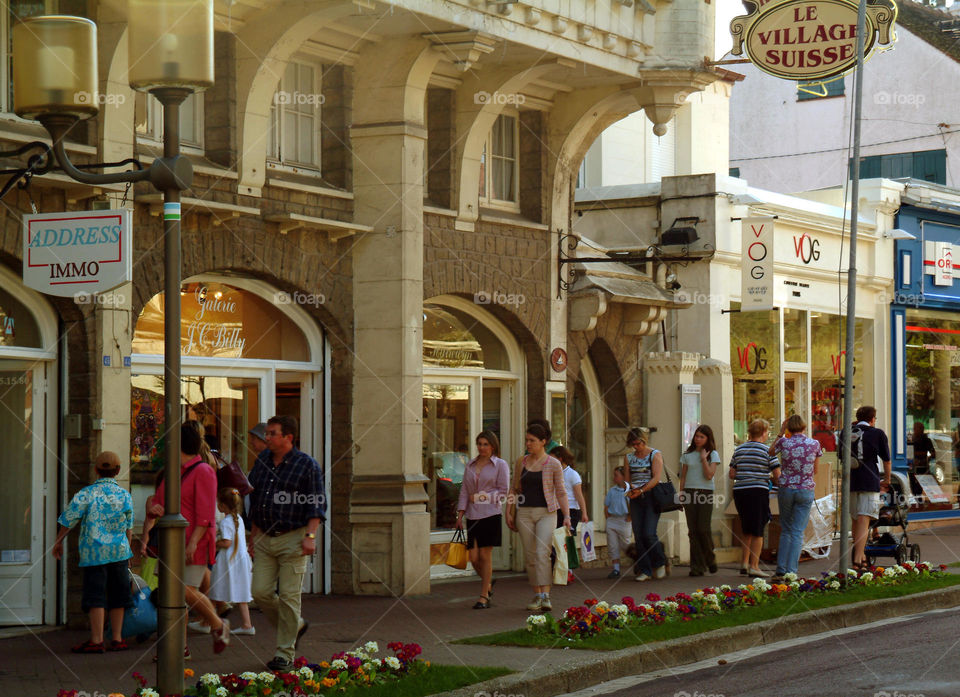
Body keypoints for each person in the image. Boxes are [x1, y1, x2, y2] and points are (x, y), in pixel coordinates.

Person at [248, 415, 325, 671]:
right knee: (260, 592)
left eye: (272, 433)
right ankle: (296, 625)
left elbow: (316, 503)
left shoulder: (307, 466)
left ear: (288, 437)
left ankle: (284, 654)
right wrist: (253, 535)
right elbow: (256, 498)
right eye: (267, 434)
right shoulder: (262, 462)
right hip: (264, 538)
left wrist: (310, 537)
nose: (266, 438)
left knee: (290, 597)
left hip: (294, 538)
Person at [149, 423, 231, 656]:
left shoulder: (203, 471)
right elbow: (159, 500)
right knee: (172, 597)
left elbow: (205, 514)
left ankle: (217, 624)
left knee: (182, 590)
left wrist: (193, 542)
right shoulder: (174, 472)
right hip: (171, 542)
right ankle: (178, 647)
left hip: (193, 542)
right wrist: (154, 508)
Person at [52, 451, 134, 654]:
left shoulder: (86, 493)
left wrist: (58, 541)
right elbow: (129, 527)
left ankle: (96, 640)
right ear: (118, 471)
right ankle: (117, 638)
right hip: (119, 552)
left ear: (96, 470)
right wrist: (128, 551)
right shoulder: (124, 495)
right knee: (119, 594)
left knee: (95, 594)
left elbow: (69, 518)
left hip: (93, 552)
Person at [505, 422, 571, 613]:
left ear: (543, 442)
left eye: (532, 440)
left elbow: (561, 492)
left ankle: (545, 596)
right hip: (524, 513)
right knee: (531, 555)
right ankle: (537, 593)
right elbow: (514, 488)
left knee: (543, 552)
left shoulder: (553, 463)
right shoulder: (521, 462)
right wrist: (509, 511)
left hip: (546, 513)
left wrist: (566, 516)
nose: (528, 444)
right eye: (527, 440)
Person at [455, 430, 510, 610]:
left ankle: (483, 596)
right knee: (473, 557)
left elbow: (503, 492)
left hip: (490, 514)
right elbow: (464, 490)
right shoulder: (470, 465)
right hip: (472, 515)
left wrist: (479, 497)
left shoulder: (500, 465)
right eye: (479, 444)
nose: (482, 447)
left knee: (485, 555)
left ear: (493, 446)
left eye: (486, 444)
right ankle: (488, 583)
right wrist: (460, 514)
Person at [769, 414, 822, 578]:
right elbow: (816, 470)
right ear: (804, 427)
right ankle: (791, 571)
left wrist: (780, 432)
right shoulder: (814, 444)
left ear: (789, 428)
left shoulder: (784, 442)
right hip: (805, 489)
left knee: (786, 529)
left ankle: (781, 568)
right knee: (798, 531)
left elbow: (770, 452)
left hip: (786, 488)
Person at [730, 420, 780, 577]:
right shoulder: (768, 451)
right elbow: (778, 476)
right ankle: (755, 566)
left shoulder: (739, 449)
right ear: (764, 432)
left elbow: (732, 474)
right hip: (758, 491)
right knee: (759, 529)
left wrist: (746, 474)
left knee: (747, 528)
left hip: (740, 491)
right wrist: (767, 477)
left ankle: (744, 563)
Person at [848, 406, 892, 570]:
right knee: (864, 519)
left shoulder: (847, 431)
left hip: (851, 479)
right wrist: (886, 480)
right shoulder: (877, 433)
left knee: (855, 519)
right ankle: (858, 560)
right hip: (870, 479)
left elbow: (841, 456)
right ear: (872, 419)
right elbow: (886, 460)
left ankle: (862, 556)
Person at [624, 427, 668, 582]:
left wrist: (641, 490)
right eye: (633, 444)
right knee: (639, 535)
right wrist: (629, 489)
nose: (636, 447)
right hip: (635, 496)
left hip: (651, 495)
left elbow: (656, 478)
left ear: (644, 441)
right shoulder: (629, 457)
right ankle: (645, 569)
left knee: (649, 533)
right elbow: (627, 479)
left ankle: (660, 562)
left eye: (638, 443)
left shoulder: (655, 454)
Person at [209, 488, 255, 635]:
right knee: (242, 594)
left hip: (229, 560)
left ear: (222, 505)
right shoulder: (239, 519)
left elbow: (227, 543)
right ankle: (247, 624)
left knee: (215, 591)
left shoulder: (226, 522)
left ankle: (209, 622)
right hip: (241, 559)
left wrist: (213, 544)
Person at [679, 425, 720, 577]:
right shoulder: (687, 455)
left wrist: (703, 459)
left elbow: (709, 475)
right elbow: (683, 476)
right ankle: (697, 566)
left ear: (708, 438)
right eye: (697, 436)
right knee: (693, 531)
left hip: (705, 493)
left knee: (703, 528)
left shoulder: (713, 454)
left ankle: (710, 558)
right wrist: (681, 493)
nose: (698, 439)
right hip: (689, 492)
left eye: (702, 437)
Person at [550, 445, 589, 583]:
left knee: (565, 541)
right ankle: (558, 570)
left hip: (571, 510)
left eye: (553, 458)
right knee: (555, 541)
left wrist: (584, 513)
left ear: (560, 459)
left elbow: (579, 495)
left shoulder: (572, 474)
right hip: (556, 510)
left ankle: (568, 572)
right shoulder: (553, 473)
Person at [603, 465, 632, 579]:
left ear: (624, 477)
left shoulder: (629, 491)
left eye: (616, 475)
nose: (614, 478)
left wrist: (630, 517)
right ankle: (616, 569)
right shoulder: (612, 490)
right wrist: (607, 517)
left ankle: (638, 563)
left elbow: (633, 505)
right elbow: (606, 505)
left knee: (626, 544)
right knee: (612, 545)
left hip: (624, 520)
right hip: (612, 520)